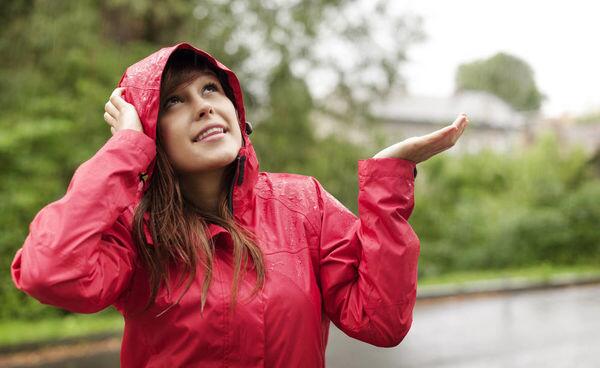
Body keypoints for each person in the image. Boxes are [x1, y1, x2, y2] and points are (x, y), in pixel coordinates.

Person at [11, 43, 468, 367]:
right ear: (152, 131)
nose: (204, 106)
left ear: (236, 110)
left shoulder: (302, 204)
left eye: (211, 89)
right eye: (175, 100)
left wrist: (388, 184)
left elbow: (380, 321)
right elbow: (48, 270)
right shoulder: (137, 230)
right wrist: (126, 149)